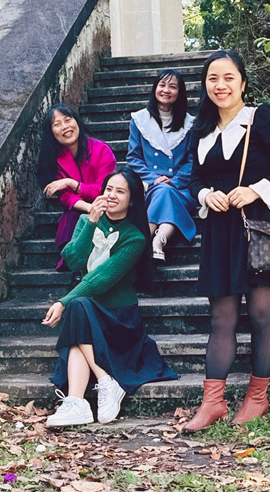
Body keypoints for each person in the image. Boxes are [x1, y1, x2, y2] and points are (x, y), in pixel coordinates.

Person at [183, 49, 270, 430]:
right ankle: (213, 403)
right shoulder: (201, 130)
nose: (220, 85)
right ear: (205, 84)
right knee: (222, 317)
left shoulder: (259, 118)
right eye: (213, 78)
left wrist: (255, 190)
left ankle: (257, 398)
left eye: (228, 77)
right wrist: (205, 195)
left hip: (260, 227)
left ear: (243, 83)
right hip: (220, 232)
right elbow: (195, 179)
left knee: (262, 314)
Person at [41, 167, 178, 427]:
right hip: (88, 310)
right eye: (108, 189)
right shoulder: (86, 220)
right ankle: (89, 393)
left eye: (120, 192)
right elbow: (72, 261)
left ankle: (85, 396)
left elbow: (101, 279)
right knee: (79, 309)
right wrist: (91, 222)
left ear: (132, 200)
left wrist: (62, 302)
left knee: (77, 307)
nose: (112, 195)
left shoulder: (135, 238)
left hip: (118, 319)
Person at [127, 70, 196, 262]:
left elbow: (193, 160)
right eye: (162, 85)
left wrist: (175, 181)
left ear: (180, 93)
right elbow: (133, 158)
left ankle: (142, 241)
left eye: (173, 87)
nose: (166, 90)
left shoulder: (190, 124)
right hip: (151, 186)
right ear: (155, 88)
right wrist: (154, 179)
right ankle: (156, 242)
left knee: (166, 192)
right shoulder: (139, 120)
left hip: (181, 187)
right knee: (162, 191)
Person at [37, 104, 117, 270]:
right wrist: (89, 208)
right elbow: (66, 197)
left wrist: (71, 183)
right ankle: (75, 266)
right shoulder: (55, 160)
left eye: (67, 120)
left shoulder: (101, 150)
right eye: (57, 124)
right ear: (51, 132)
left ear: (77, 121)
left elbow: (103, 189)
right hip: (79, 210)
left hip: (107, 206)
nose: (64, 127)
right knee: (75, 216)